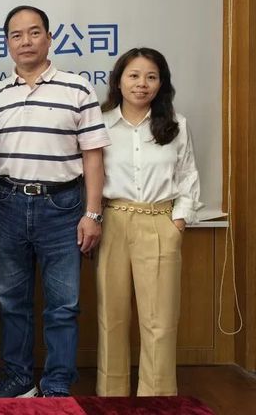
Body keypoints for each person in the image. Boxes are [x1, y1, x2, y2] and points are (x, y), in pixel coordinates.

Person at [0, 5, 110, 398]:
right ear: (7, 43)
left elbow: (93, 156)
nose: (26, 41)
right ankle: (18, 380)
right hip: (8, 204)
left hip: (63, 207)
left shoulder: (78, 89)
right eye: (16, 35)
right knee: (11, 300)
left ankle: (56, 384)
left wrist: (92, 213)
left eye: (34, 33)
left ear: (49, 38)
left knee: (63, 304)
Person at [96, 47, 201, 397]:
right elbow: (88, 175)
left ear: (161, 84)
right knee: (111, 315)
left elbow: (188, 175)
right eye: (134, 76)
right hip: (113, 220)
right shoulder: (101, 124)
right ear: (119, 81)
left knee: (160, 319)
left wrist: (178, 222)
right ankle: (111, 395)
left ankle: (156, 397)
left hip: (159, 221)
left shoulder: (176, 125)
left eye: (151, 77)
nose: (142, 84)